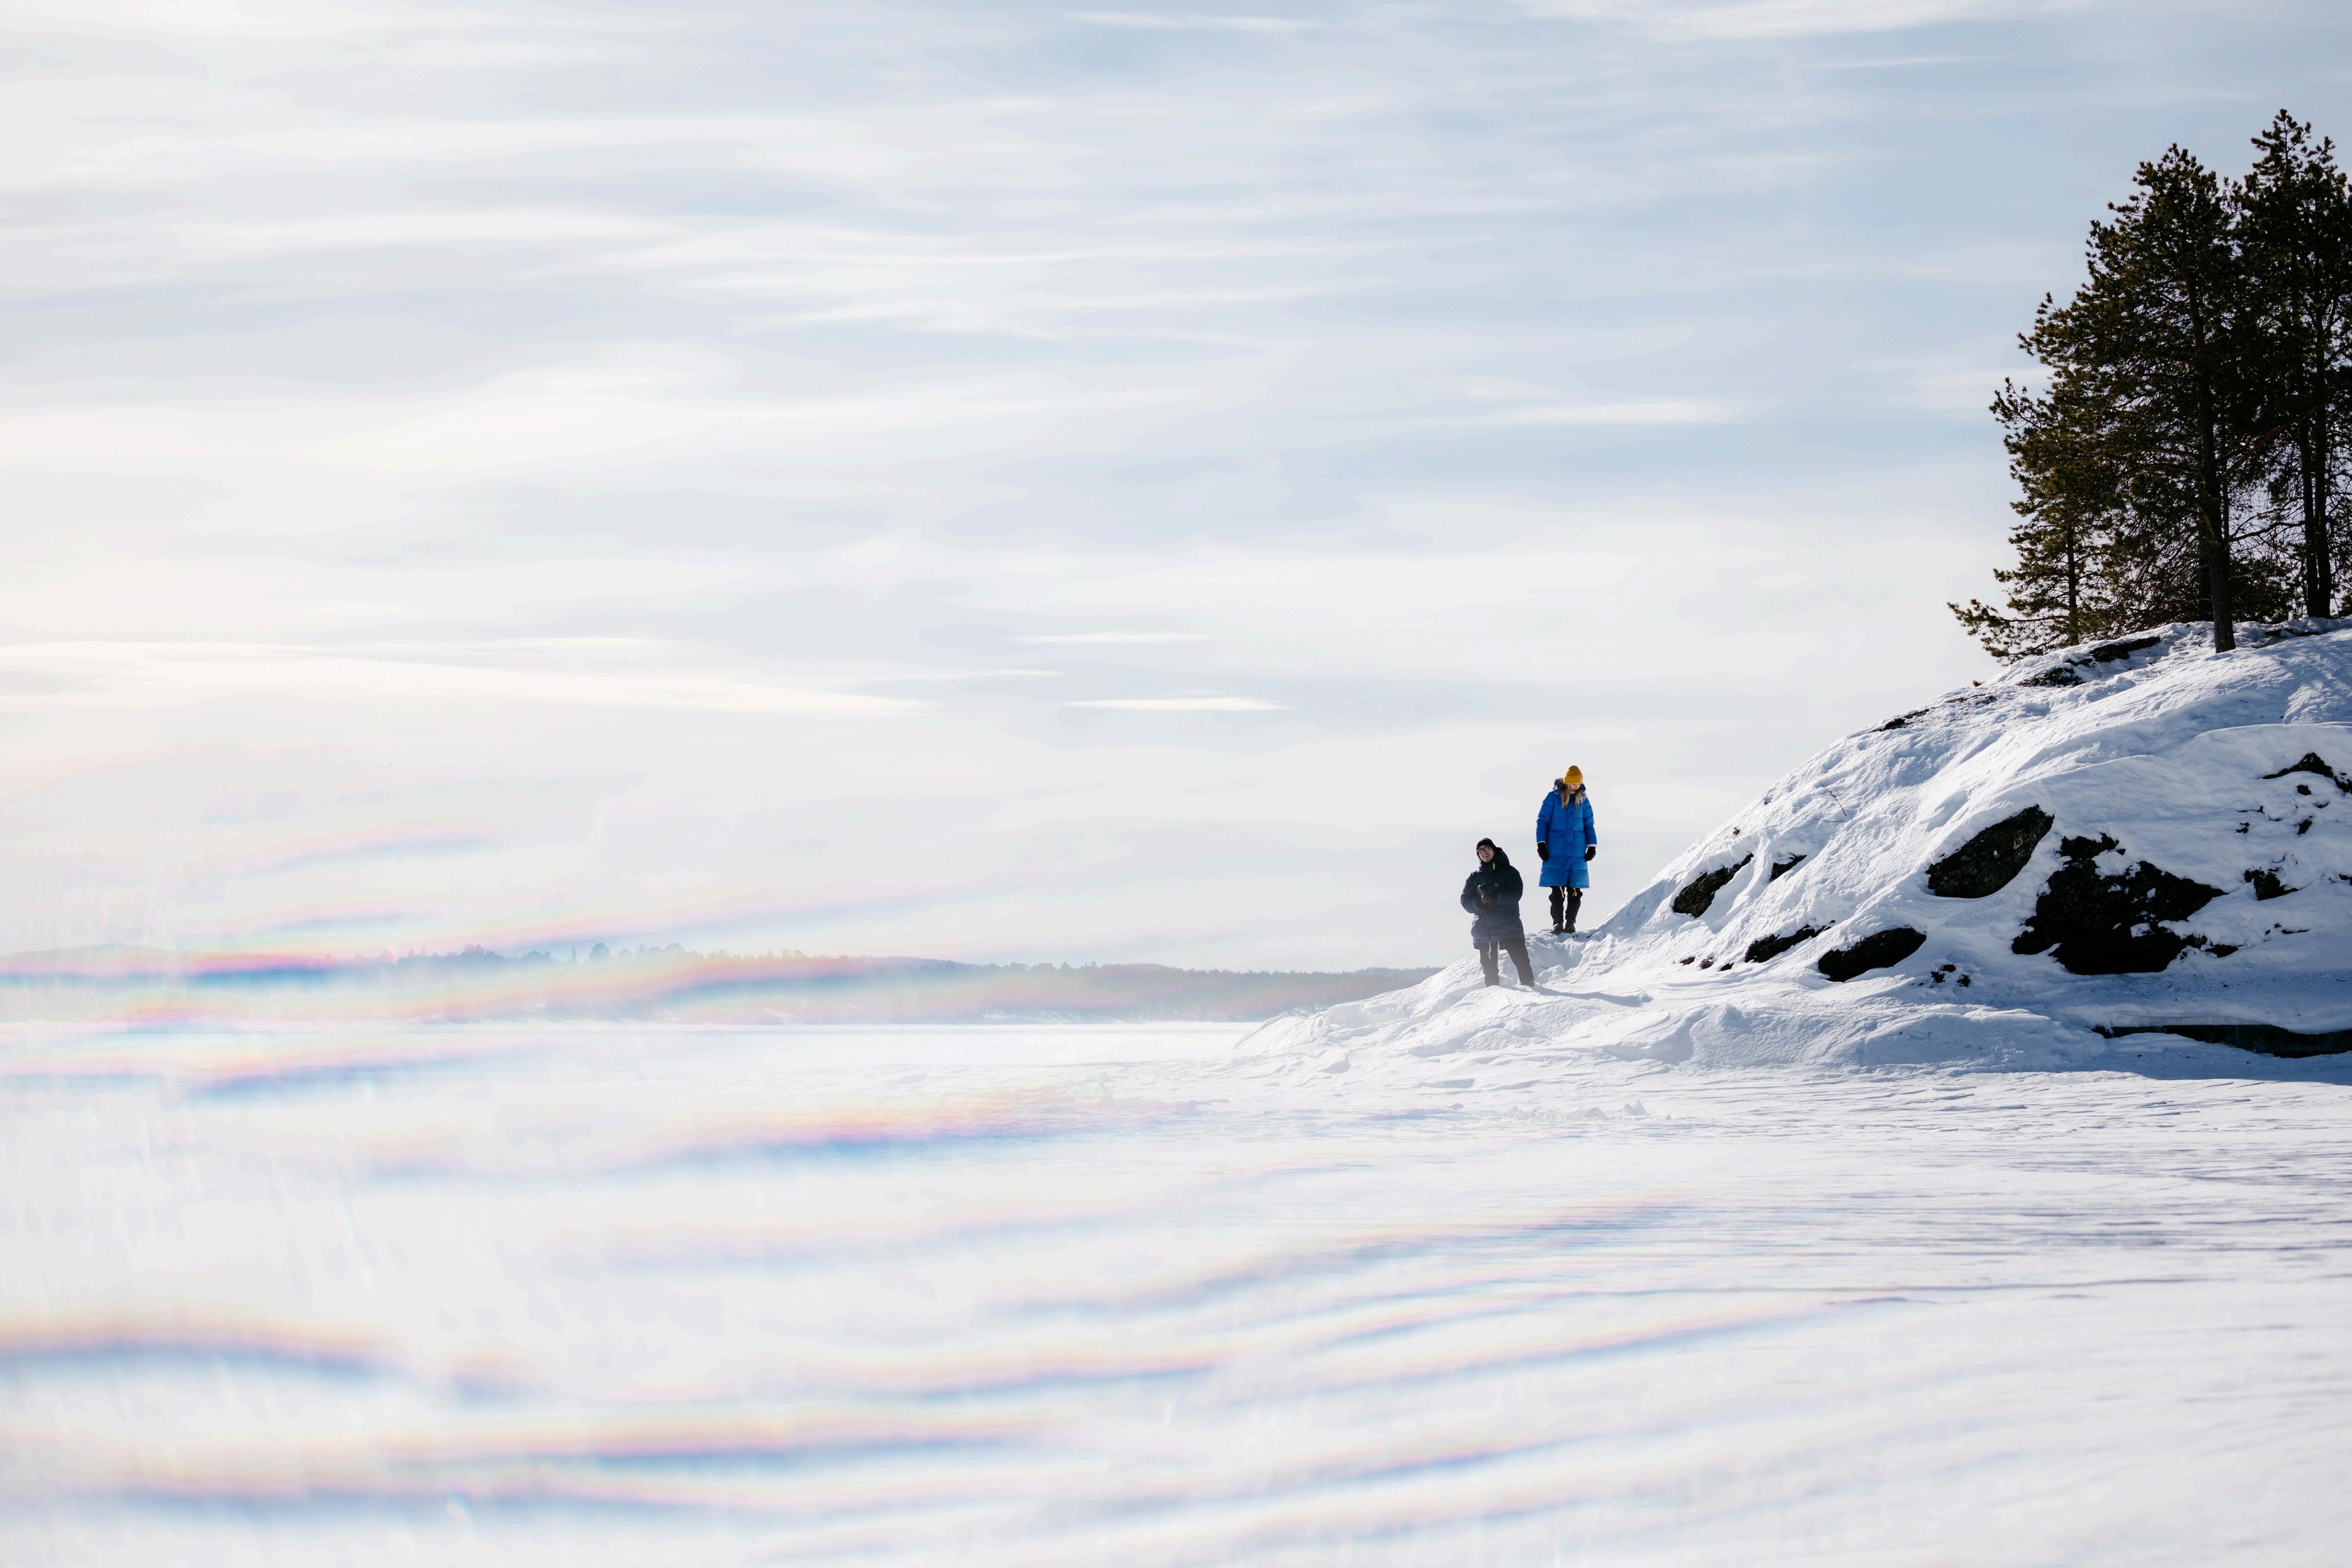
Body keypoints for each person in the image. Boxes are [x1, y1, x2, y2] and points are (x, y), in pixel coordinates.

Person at [1460, 837, 1535, 988]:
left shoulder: (1510, 872)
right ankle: (1493, 997)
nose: (1484, 852)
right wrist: (1480, 903)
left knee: (1522, 962)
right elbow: (1465, 901)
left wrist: (1497, 898)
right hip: (1484, 930)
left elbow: (1516, 894)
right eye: (1480, 850)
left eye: (1487, 848)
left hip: (1509, 927)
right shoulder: (1474, 877)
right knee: (1489, 970)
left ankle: (1532, 990)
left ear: (1494, 850)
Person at [1534, 764, 1599, 934]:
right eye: (1573, 783)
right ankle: (1557, 923)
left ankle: (1570, 923)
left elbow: (1589, 824)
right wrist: (1541, 844)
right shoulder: (1552, 798)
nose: (1576, 786)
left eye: (1579, 783)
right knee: (1557, 891)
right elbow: (1542, 821)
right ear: (1567, 782)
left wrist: (1592, 846)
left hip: (1576, 852)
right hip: (1555, 852)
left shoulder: (1583, 800)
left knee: (1575, 890)